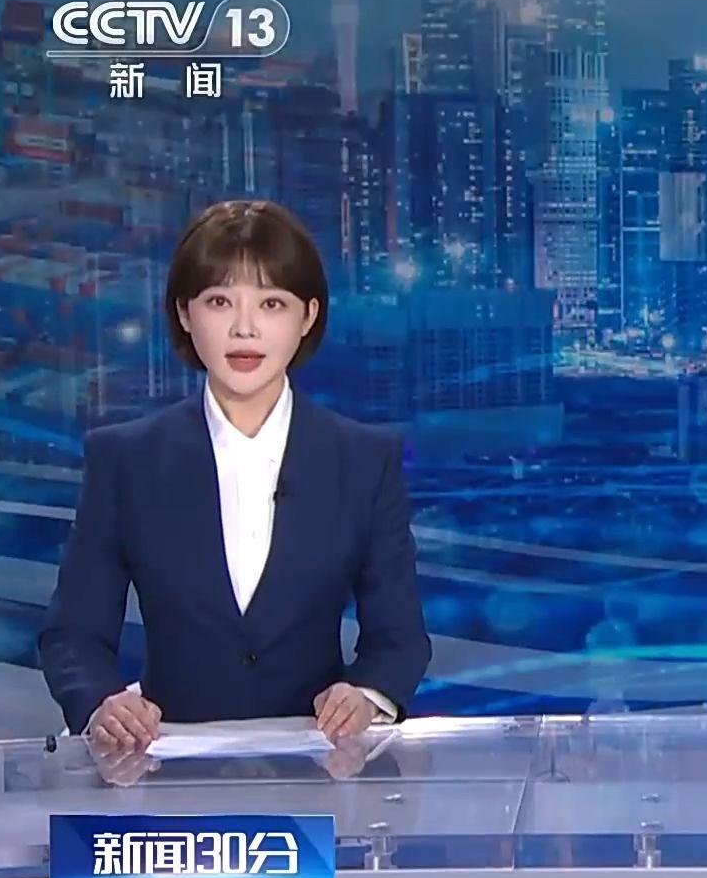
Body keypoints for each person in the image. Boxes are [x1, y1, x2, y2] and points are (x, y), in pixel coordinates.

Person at [39, 200, 432, 750]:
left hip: (317, 765)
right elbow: (74, 635)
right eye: (219, 301)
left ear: (307, 317)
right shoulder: (125, 460)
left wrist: (366, 694)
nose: (245, 328)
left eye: (272, 303)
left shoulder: (365, 460)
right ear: (185, 313)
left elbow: (399, 638)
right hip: (166, 763)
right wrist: (102, 704)